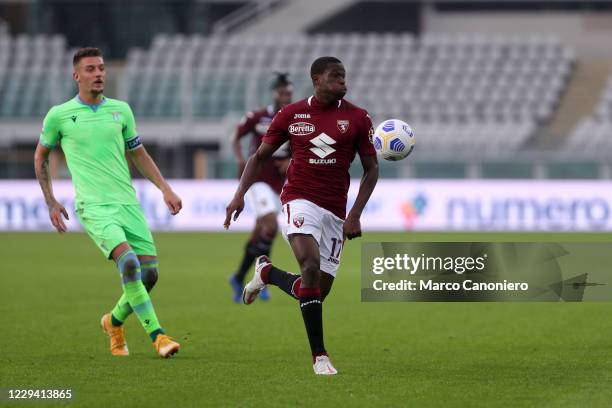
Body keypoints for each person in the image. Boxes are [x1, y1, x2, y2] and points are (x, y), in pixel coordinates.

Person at [224, 56, 379, 375]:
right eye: (336, 77)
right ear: (317, 80)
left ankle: (266, 273)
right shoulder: (291, 115)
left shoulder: (358, 118)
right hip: (299, 199)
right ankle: (319, 356)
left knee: (317, 289)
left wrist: (354, 214)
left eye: (344, 77)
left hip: (336, 211)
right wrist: (239, 195)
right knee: (308, 265)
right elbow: (259, 156)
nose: (343, 82)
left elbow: (372, 169)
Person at [34, 47, 182, 358]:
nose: (99, 73)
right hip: (94, 207)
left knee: (150, 274)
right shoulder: (59, 115)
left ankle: (113, 322)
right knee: (128, 263)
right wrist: (50, 200)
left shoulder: (121, 110)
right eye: (90, 69)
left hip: (127, 204)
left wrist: (165, 189)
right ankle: (158, 336)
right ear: (76, 76)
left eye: (101, 68)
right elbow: (41, 156)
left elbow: (138, 154)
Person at [228, 73, 293, 303]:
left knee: (261, 232)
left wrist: (291, 161)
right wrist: (240, 160)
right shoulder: (257, 117)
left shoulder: (295, 119)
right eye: (283, 93)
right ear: (275, 93)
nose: (287, 97)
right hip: (257, 181)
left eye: (289, 94)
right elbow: (236, 137)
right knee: (271, 225)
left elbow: (302, 146)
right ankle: (264, 277)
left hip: (279, 185)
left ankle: (238, 277)